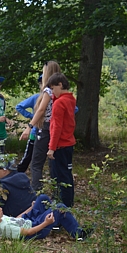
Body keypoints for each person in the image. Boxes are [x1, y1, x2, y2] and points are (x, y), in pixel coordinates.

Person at [0, 194, 88, 240]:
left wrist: (31, 208)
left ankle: (56, 223)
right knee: (59, 207)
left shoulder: (0, 219)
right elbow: (29, 232)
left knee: (42, 198)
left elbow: (16, 219)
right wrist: (45, 223)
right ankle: (79, 234)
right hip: (36, 228)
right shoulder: (4, 228)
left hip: (27, 220)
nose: (1, 209)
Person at [28, 61, 62, 191]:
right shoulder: (60, 91)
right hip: (56, 128)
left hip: (46, 127)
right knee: (53, 161)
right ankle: (57, 191)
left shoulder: (48, 91)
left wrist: (30, 126)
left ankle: (36, 191)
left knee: (36, 163)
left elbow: (41, 110)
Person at [46, 72, 76, 207]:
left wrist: (51, 148)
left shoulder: (59, 103)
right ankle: (68, 203)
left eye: (53, 88)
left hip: (59, 146)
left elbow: (56, 127)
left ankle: (60, 206)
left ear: (60, 85)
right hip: (68, 144)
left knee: (58, 177)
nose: (52, 92)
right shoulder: (70, 100)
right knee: (67, 175)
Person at [16, 74, 43, 172]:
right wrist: (33, 117)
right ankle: (18, 175)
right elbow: (19, 106)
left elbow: (74, 109)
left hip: (51, 133)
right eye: (41, 83)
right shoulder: (36, 98)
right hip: (35, 132)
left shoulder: (56, 99)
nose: (43, 85)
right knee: (28, 157)